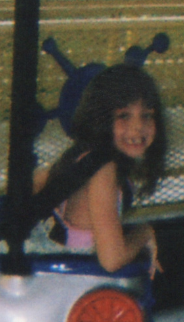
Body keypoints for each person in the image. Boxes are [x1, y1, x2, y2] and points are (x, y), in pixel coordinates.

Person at [35, 62, 166, 276]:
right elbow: (112, 260)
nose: (137, 127)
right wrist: (145, 232)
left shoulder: (82, 155)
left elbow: (38, 181)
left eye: (146, 115)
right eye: (124, 115)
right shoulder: (103, 170)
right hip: (75, 282)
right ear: (101, 119)